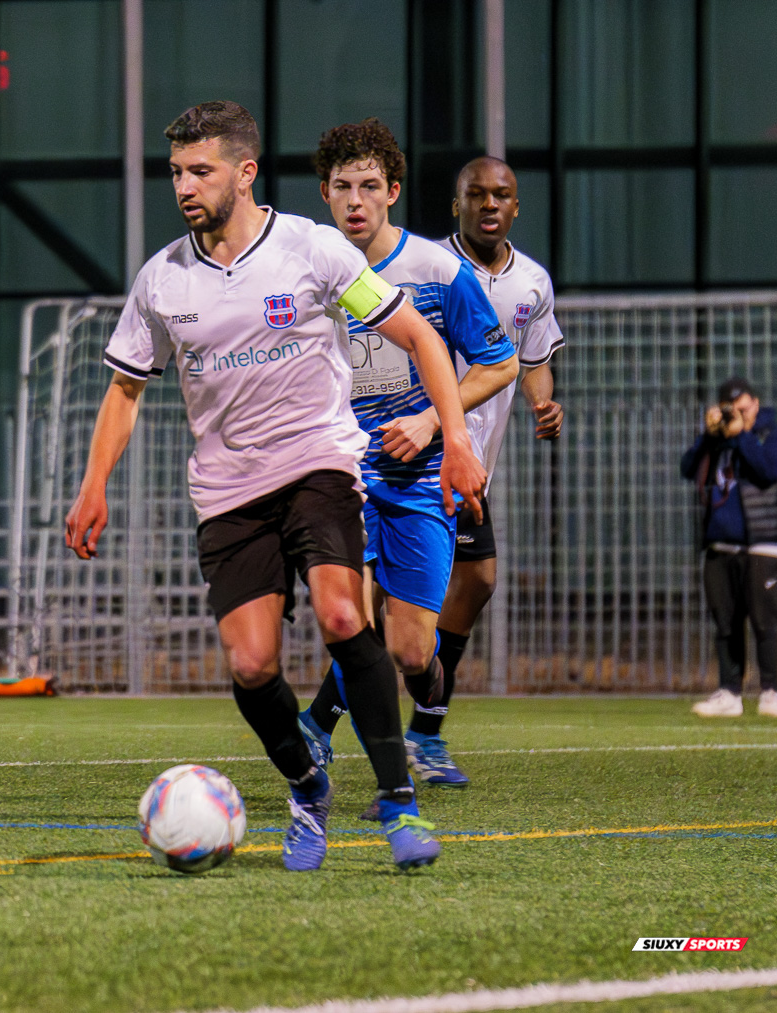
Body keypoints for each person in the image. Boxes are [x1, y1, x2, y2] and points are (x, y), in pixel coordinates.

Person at [64, 100, 486, 872]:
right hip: (228, 494)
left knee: (338, 608)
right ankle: (307, 784)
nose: (186, 186)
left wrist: (454, 437)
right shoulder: (162, 281)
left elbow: (419, 334)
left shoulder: (310, 250)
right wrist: (93, 487)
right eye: (177, 173)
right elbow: (124, 392)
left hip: (320, 465)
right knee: (252, 664)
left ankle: (398, 802)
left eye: (201, 170)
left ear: (245, 172)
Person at [296, 122, 516, 793]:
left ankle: (425, 709)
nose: (355, 199)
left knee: (409, 648)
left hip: (420, 477)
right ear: (326, 194)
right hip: (341, 472)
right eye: (342, 187)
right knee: (350, 625)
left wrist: (429, 420)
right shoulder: (306, 269)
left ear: (392, 191)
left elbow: (499, 362)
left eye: (369, 186)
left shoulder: (437, 271)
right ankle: (370, 772)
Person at [370, 156, 564, 786]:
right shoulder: (428, 267)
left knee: (475, 583)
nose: (489, 204)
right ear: (455, 205)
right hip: (416, 457)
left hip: (475, 460)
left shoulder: (532, 282)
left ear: (515, 207)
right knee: (384, 609)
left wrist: (543, 401)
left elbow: (528, 357)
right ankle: (379, 729)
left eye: (501, 195)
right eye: (475, 194)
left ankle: (418, 726)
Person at [681, 377, 777, 718]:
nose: (736, 415)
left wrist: (741, 435)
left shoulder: (771, 436)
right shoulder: (719, 440)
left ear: (755, 404)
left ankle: (771, 689)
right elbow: (688, 469)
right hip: (721, 544)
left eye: (742, 408)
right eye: (731, 410)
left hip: (761, 543)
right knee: (725, 622)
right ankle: (729, 691)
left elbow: (769, 471)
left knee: (764, 620)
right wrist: (709, 436)